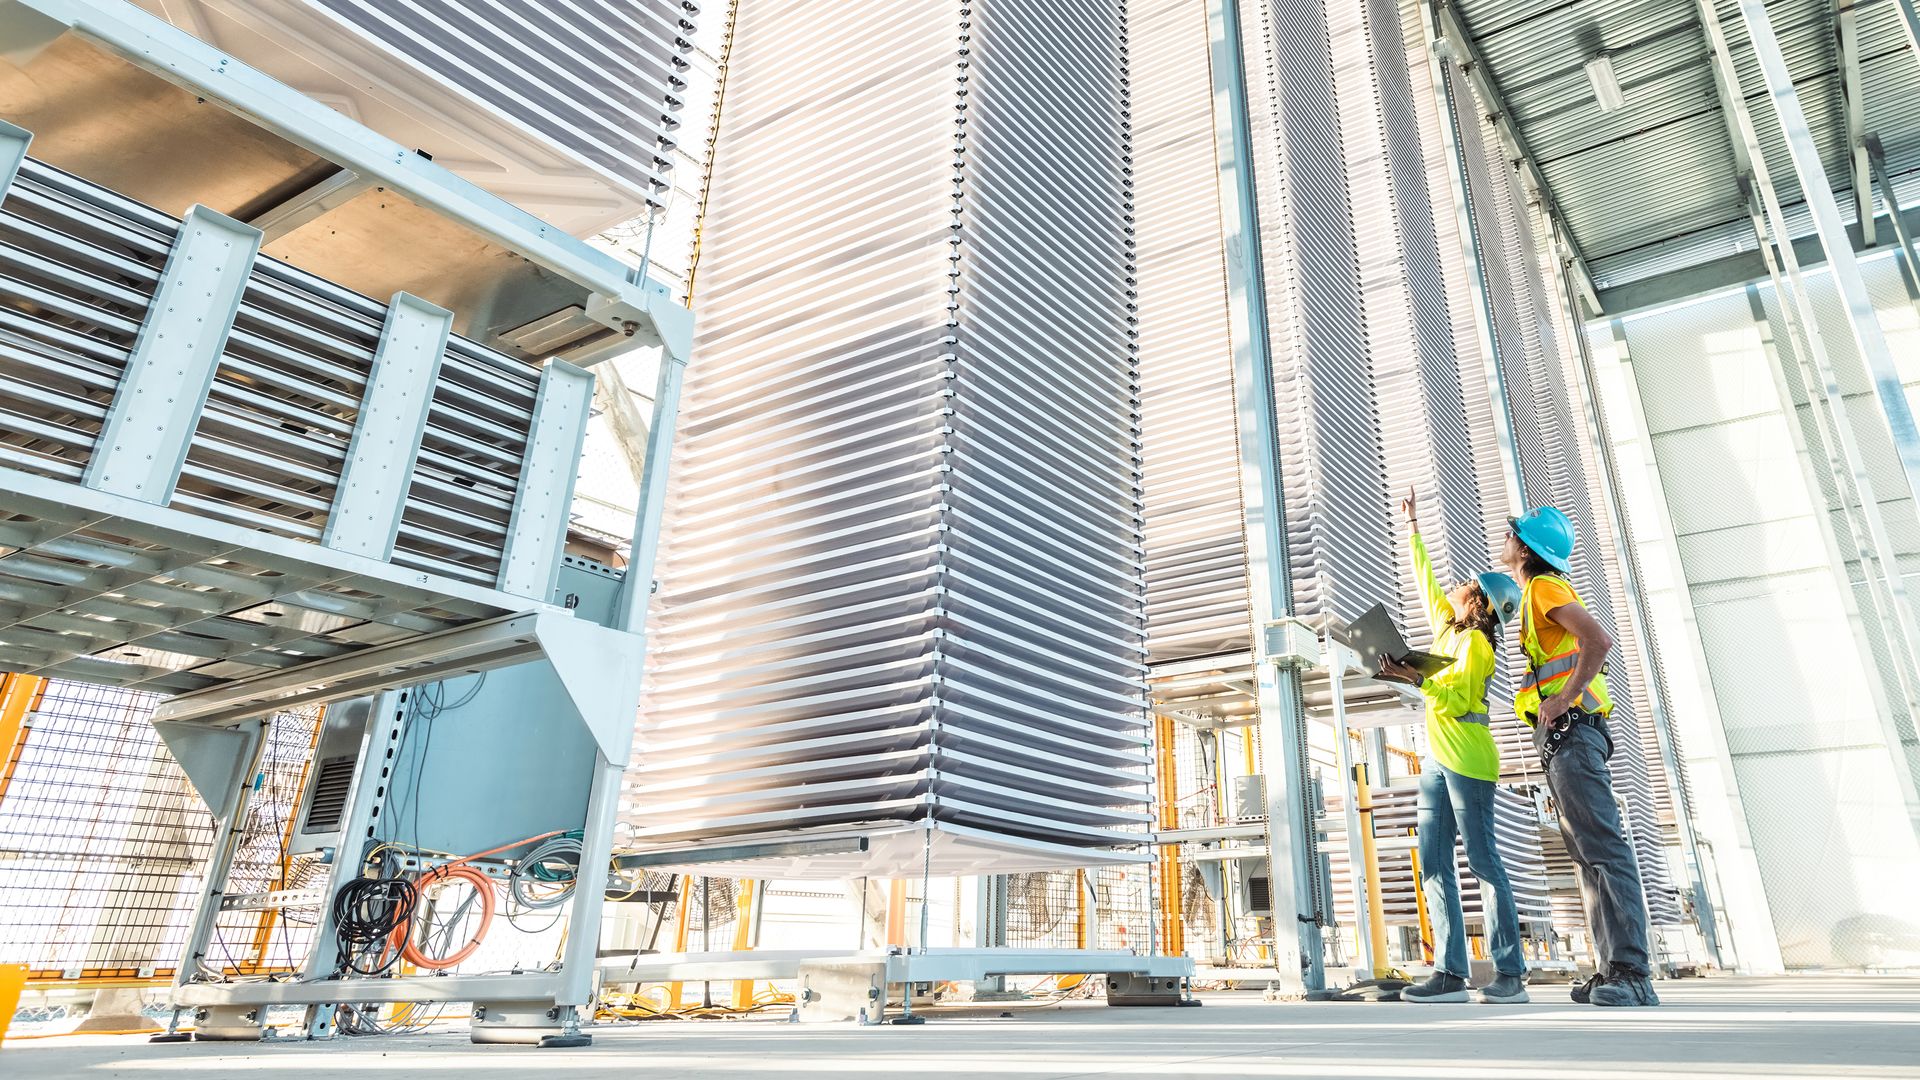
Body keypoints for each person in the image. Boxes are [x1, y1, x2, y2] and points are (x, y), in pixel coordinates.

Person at [1503, 505, 1658, 1007]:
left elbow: (1598, 640)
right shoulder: (1532, 594)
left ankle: (1633, 972)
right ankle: (1611, 967)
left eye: (1513, 536)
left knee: (1605, 850)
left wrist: (1565, 698)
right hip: (1563, 738)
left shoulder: (1544, 588)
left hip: (1574, 732)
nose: (1507, 540)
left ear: (1525, 550)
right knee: (1587, 855)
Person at [1381, 491, 1530, 1005]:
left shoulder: (1476, 645)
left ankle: (1510, 974)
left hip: (1468, 757)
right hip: (1437, 760)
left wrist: (1413, 679)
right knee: (1434, 862)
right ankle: (1449, 973)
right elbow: (1425, 585)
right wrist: (1413, 527)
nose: (1455, 587)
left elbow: (1460, 695)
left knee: (1483, 860)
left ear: (1478, 604)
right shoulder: (1448, 632)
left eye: (1466, 586)